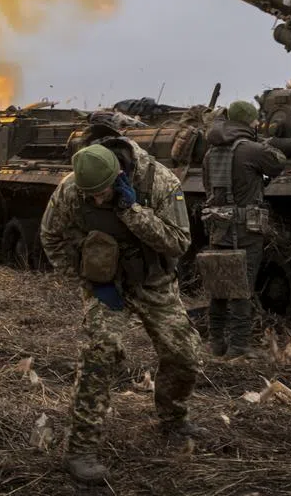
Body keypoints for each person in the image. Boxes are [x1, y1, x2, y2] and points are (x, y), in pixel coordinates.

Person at [40, 135, 204, 485]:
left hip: (153, 281)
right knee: (101, 352)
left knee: (184, 353)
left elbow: (179, 241)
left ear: (119, 176)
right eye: (90, 196)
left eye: (101, 193)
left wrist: (133, 212)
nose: (95, 200)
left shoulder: (160, 182)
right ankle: (81, 450)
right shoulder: (72, 187)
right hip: (106, 284)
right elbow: (50, 235)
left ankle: (174, 419)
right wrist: (86, 280)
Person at [200, 100, 286, 358]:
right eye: (254, 120)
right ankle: (238, 346)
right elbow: (278, 164)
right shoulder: (252, 150)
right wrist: (267, 144)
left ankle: (216, 342)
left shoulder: (210, 153)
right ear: (248, 121)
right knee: (242, 287)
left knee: (218, 286)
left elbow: (208, 188)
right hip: (245, 230)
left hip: (218, 226)